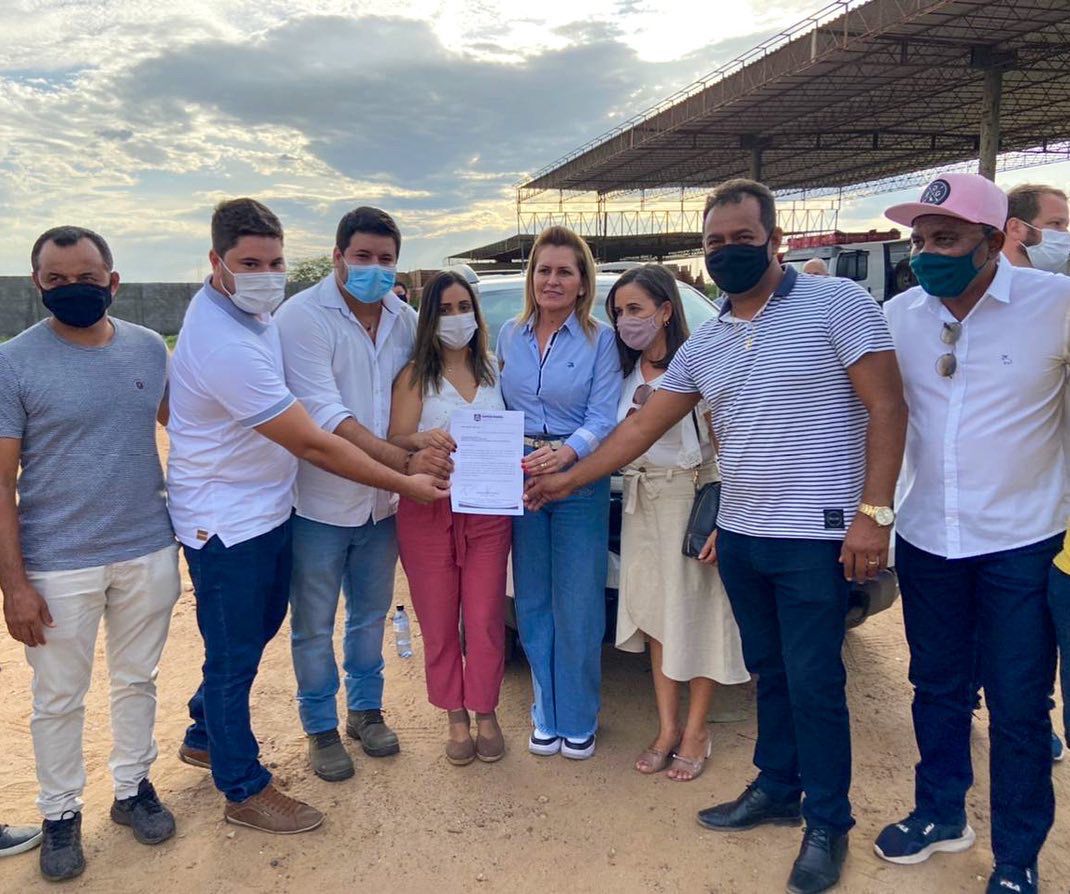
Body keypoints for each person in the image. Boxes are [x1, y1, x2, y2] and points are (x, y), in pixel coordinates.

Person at [525, 179, 906, 894]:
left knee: (815, 682)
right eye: (716, 243)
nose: (729, 251)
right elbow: (639, 429)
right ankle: (777, 787)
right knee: (771, 673)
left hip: (817, 534)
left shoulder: (838, 304)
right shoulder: (710, 342)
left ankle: (827, 822)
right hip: (742, 534)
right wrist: (566, 480)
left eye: (742, 238)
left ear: (775, 240)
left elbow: (887, 405)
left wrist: (874, 513)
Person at [168, 199, 447, 835]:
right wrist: (406, 475)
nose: (265, 274)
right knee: (268, 642)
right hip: (274, 510)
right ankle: (259, 775)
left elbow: (415, 397)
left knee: (329, 620)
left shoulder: (265, 316)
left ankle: (343, 714)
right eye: (250, 264)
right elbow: (321, 432)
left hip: (288, 508)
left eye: (274, 262)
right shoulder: (280, 323)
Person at [875, 173, 1070, 894]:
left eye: (947, 239)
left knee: (1019, 707)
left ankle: (1017, 857)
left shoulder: (1055, 305)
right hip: (930, 538)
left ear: (993, 241)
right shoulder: (899, 317)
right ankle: (940, 812)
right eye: (921, 240)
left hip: (1024, 542)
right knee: (936, 686)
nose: (928, 253)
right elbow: (874, 415)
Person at [0, 226, 180, 882]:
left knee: (137, 679)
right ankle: (60, 813)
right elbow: (1, 481)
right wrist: (14, 584)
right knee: (57, 697)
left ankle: (132, 789)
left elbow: (186, 426)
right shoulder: (14, 362)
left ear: (113, 282)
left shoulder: (148, 348)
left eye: (87, 277)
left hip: (146, 548)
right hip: (56, 562)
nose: (73, 289)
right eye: (57, 280)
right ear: (37, 284)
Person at [275, 206, 452, 782]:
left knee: (370, 615)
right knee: (313, 622)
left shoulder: (405, 320)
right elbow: (328, 418)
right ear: (337, 257)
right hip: (320, 503)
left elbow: (425, 393)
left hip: (383, 509)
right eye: (363, 257)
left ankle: (366, 712)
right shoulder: (302, 318)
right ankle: (320, 727)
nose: (375, 268)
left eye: (386, 259)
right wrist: (405, 464)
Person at [606, 264, 748, 782]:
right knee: (656, 620)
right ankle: (667, 728)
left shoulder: (700, 366)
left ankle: (696, 731)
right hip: (640, 504)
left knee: (699, 618)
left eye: (636, 309)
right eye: (618, 312)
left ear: (666, 311)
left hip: (691, 502)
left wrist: (723, 518)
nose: (625, 321)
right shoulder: (621, 373)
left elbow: (726, 449)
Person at [496, 226, 621, 760]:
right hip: (520, 476)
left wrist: (565, 457)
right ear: (532, 277)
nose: (552, 280)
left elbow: (603, 415)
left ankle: (578, 716)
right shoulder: (508, 334)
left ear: (582, 282)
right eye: (543, 270)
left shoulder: (601, 340)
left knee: (579, 602)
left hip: (580, 477)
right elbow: (497, 405)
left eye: (564, 271)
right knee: (532, 599)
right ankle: (545, 712)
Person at [389, 270, 511, 765]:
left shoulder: (495, 369)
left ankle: (486, 710)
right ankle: (455, 715)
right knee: (439, 621)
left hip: (487, 511)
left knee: (484, 618)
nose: (456, 318)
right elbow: (396, 440)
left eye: (464, 308)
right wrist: (421, 441)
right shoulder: (415, 375)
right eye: (444, 310)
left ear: (476, 314)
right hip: (429, 509)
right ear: (428, 318)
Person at [1002, 182, 1070, 762]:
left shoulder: (1059, 303)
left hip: (1047, 519)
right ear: (1017, 229)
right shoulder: (942, 309)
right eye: (1058, 224)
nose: (1065, 237)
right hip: (995, 519)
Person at [1003, 183, 1069, 273]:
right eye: (1056, 223)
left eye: (1066, 226)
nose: (1066, 234)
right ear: (1015, 228)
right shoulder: (985, 279)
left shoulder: (1059, 281)